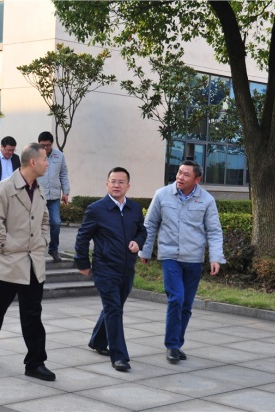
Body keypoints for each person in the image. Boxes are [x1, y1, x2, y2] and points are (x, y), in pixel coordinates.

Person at [0, 143, 56, 382]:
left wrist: (42, 241)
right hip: (8, 263)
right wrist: (7, 247)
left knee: (33, 315)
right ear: (33, 162)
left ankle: (35, 362)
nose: (47, 163)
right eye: (44, 159)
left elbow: (44, 220)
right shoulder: (4, 188)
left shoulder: (40, 189)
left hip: (33, 263)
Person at [139, 160, 226, 364]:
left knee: (186, 305)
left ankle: (177, 343)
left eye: (186, 175)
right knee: (176, 298)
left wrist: (215, 257)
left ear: (197, 179)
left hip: (194, 259)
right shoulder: (162, 195)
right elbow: (150, 224)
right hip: (170, 256)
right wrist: (146, 250)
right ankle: (171, 345)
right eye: (179, 173)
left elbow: (214, 231)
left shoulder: (206, 200)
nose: (180, 177)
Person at [74, 167, 146, 372]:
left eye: (121, 182)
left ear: (128, 186)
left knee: (114, 307)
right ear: (107, 184)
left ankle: (97, 341)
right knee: (114, 310)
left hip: (127, 268)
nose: (116, 185)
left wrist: (138, 242)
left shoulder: (134, 208)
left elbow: (142, 230)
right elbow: (82, 237)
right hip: (105, 268)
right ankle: (119, 356)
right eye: (113, 181)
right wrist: (83, 263)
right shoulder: (96, 209)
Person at [37, 131, 70, 262]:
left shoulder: (59, 156)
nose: (46, 148)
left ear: (52, 144)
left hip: (54, 197)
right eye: (43, 145)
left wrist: (66, 192)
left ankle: (53, 249)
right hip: (38, 196)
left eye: (48, 145)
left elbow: (63, 174)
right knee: (37, 224)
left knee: (56, 222)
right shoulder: (34, 156)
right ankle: (36, 251)